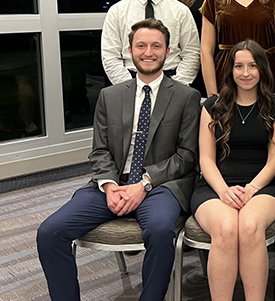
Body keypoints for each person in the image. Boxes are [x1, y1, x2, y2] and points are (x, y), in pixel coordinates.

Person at [37, 18, 201, 301]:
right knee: (49, 233)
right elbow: (99, 151)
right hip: (110, 186)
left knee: (161, 232)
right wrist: (110, 186)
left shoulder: (187, 97)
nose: (148, 52)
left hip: (160, 186)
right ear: (129, 50)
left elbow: (186, 156)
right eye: (141, 45)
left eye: (155, 46)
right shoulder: (109, 96)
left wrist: (144, 184)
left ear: (168, 51)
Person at [191, 40, 275, 300]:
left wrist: (251, 189)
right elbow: (206, 160)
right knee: (225, 228)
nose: (245, 73)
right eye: (239, 66)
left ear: (262, 69)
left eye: (252, 66)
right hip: (215, 185)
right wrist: (223, 191)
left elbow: (274, 160)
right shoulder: (212, 107)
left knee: (248, 226)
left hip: (264, 185)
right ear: (230, 70)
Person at [101, 0, 200, 86]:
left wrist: (177, 88)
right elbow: (110, 56)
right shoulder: (117, 11)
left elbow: (191, 54)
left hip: (172, 81)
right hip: (129, 81)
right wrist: (129, 88)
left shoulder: (180, 11)